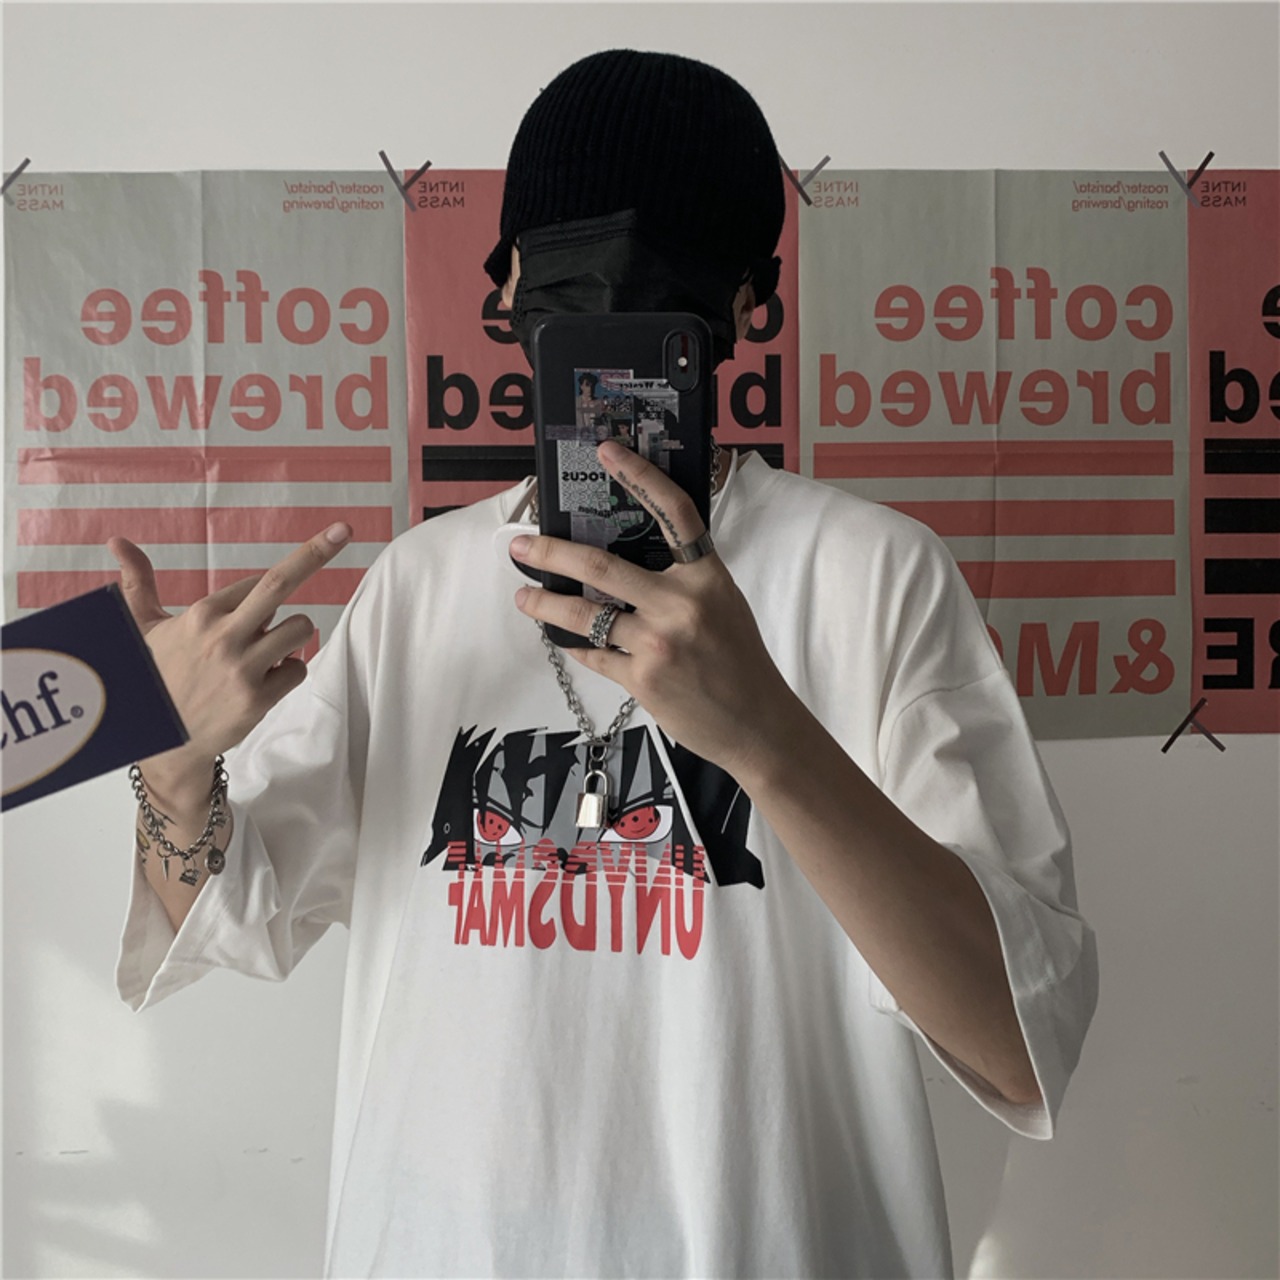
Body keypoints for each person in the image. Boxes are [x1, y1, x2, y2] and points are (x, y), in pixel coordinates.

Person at [110, 49, 1098, 1280]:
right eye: (575, 262)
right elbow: (232, 919)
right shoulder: (420, 583)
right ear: (508, 287)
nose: (615, 298)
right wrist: (173, 764)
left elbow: (1013, 1043)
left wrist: (767, 737)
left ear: (751, 303)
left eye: (666, 265)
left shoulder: (872, 573)